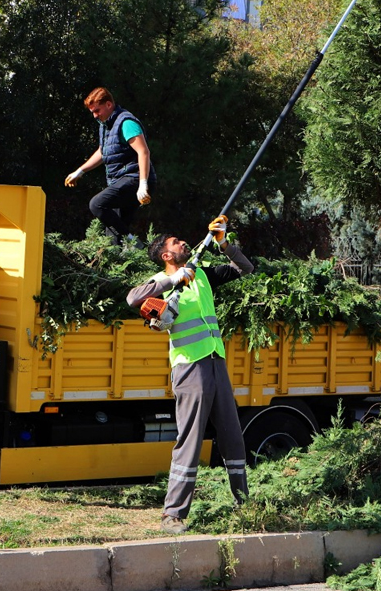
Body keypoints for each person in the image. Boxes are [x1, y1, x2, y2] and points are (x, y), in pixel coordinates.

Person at [126, 215, 251, 534]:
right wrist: (176, 278)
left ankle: (243, 504)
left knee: (233, 437)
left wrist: (223, 243)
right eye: (175, 243)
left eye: (183, 241)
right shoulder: (160, 284)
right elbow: (132, 298)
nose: (183, 243)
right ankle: (173, 515)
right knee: (191, 440)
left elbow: (245, 269)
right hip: (189, 367)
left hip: (215, 361)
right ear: (167, 256)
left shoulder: (204, 275)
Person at [64, 87, 155, 245]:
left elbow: (143, 152)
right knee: (113, 236)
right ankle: (126, 255)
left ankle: (133, 243)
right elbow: (103, 151)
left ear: (108, 104)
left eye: (97, 111)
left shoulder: (126, 123)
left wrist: (143, 184)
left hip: (134, 179)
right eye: (92, 112)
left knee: (97, 204)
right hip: (119, 181)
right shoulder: (106, 124)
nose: (95, 116)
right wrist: (80, 171)